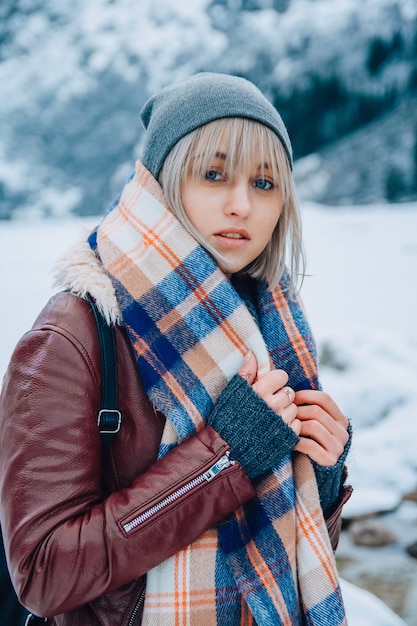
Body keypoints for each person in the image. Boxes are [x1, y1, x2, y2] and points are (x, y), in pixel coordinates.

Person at [0, 72, 352, 625]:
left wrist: (318, 476)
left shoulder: (271, 325)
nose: (241, 205)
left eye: (264, 183)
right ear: (163, 184)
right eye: (214, 175)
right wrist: (224, 457)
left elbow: (279, 550)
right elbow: (43, 573)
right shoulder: (73, 334)